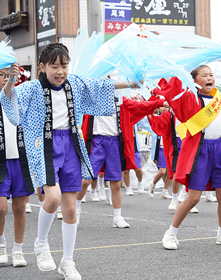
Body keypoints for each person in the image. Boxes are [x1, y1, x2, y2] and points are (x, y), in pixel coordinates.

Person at [0, 43, 138, 279]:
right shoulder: (32, 88)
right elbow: (10, 102)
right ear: (42, 67)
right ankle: (41, 244)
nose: (61, 71)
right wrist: (11, 81)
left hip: (71, 144)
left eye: (64, 65)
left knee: (71, 209)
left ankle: (68, 261)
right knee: (52, 197)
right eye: (55, 66)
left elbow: (100, 86)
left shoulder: (74, 83)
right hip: (44, 145)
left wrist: (130, 84)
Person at [157, 65, 221, 250]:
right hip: (200, 151)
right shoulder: (190, 99)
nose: (209, 77)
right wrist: (180, 71)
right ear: (195, 81)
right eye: (204, 75)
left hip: (220, 150)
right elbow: (171, 87)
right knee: (193, 198)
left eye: (211, 74)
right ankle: (171, 233)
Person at [77, 94, 167, 227]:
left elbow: (140, 106)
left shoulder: (121, 102)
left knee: (116, 183)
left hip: (114, 142)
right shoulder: (91, 100)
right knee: (86, 180)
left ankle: (117, 217)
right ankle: (76, 209)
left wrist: (161, 102)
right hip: (96, 142)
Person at [0, 67, 34, 267]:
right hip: (0, 160)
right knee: (1, 208)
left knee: (20, 207)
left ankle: (18, 250)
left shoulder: (19, 97)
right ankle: (1, 245)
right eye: (2, 75)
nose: (5, 79)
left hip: (20, 159)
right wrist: (11, 81)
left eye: (7, 75)